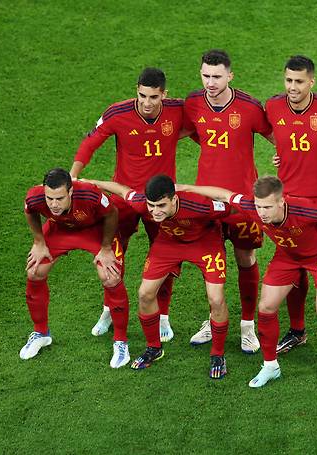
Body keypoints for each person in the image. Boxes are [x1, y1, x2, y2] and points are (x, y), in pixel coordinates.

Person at [178, 176, 317, 398]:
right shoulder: (251, 206)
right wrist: (186, 187)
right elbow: (224, 194)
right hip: (287, 257)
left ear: (281, 202)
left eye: (267, 207)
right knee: (266, 307)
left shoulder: (307, 210)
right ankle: (270, 366)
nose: (261, 212)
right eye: (258, 206)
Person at [70, 67, 186, 342]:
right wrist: (73, 175)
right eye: (142, 95)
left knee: (165, 256)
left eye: (154, 97)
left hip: (160, 201)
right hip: (122, 198)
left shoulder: (177, 111)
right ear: (136, 90)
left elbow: (202, 130)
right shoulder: (117, 113)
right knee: (112, 253)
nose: (147, 103)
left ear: (164, 95)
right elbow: (90, 143)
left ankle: (163, 316)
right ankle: (109, 308)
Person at [87, 175, 231, 378]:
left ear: (174, 199)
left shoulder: (199, 205)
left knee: (216, 299)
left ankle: (218, 355)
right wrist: (90, 182)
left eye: (161, 205)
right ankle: (154, 348)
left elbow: (229, 206)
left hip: (205, 243)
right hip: (169, 243)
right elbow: (120, 190)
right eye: (151, 205)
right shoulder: (143, 205)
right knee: (145, 294)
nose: (155, 211)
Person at [183, 49, 274, 353]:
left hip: (244, 202)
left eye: (217, 76)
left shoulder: (248, 106)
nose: (210, 82)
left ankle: (248, 326)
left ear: (230, 76)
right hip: (205, 202)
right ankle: (214, 319)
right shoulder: (194, 103)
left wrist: (284, 157)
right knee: (211, 262)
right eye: (206, 76)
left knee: (245, 259)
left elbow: (277, 136)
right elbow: (195, 133)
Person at [266, 55, 317, 355]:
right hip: (288, 204)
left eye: (299, 81)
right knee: (295, 262)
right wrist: (281, 154)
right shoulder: (273, 106)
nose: (292, 86)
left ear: (311, 81)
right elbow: (272, 131)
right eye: (288, 80)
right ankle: (297, 329)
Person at [20, 168, 130, 368]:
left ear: (70, 191)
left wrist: (106, 248)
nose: (53, 204)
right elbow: (29, 211)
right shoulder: (35, 196)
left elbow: (112, 212)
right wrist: (39, 241)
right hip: (59, 231)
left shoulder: (90, 194)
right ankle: (41, 333)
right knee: (34, 271)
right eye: (49, 198)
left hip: (94, 232)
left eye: (60, 198)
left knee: (110, 277)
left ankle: (121, 341)